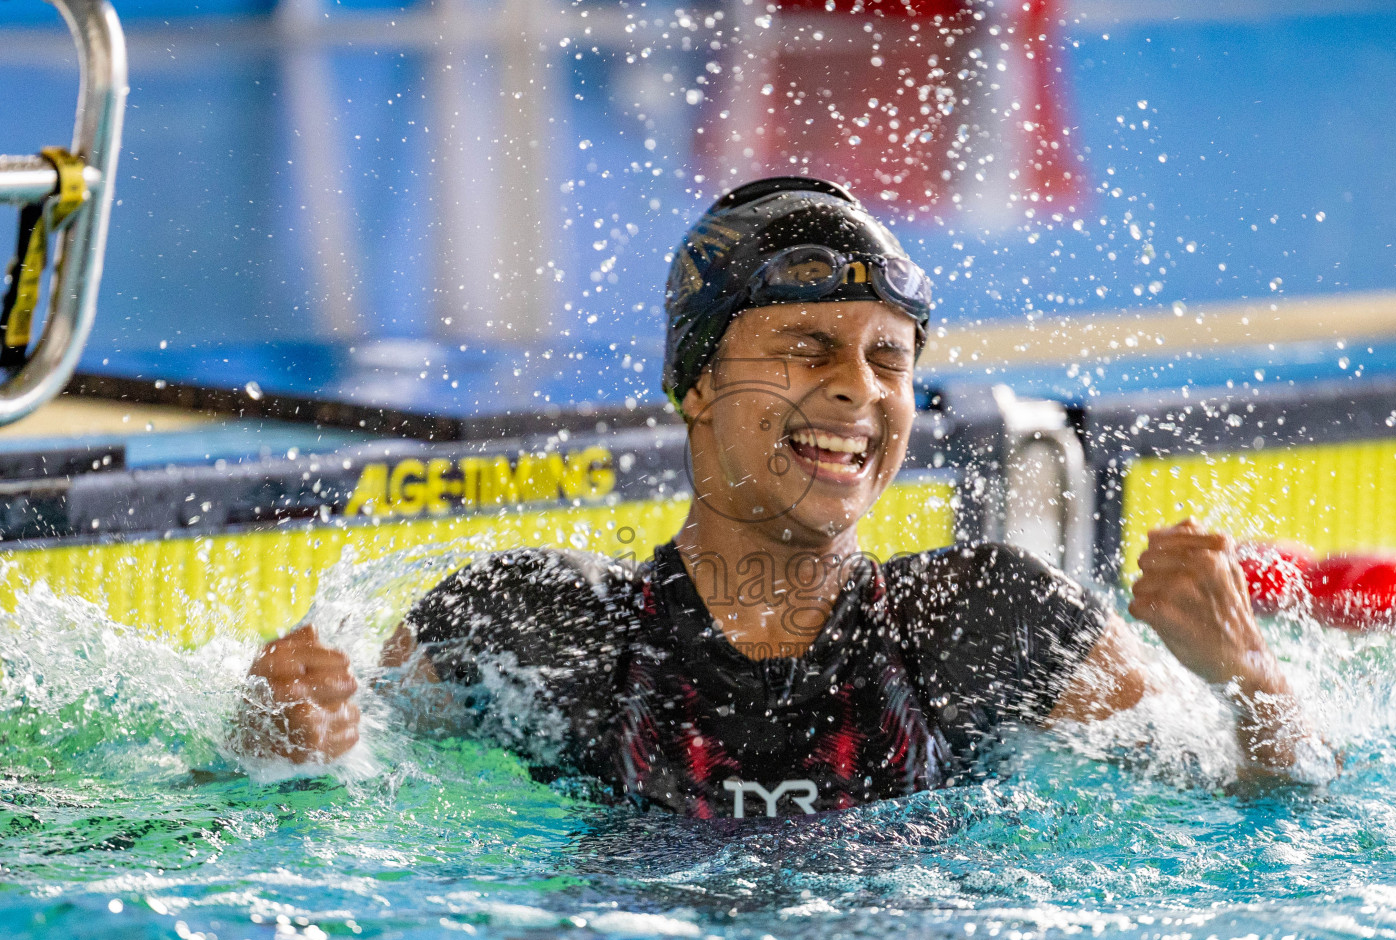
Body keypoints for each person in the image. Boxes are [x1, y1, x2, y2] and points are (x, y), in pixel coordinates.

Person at [233, 176, 1325, 817]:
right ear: (696, 380)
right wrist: (278, 741)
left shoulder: (987, 620)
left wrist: (1249, 674)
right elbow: (327, 781)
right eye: (808, 347)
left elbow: (1259, 801)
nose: (859, 388)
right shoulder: (531, 621)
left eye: (890, 360)